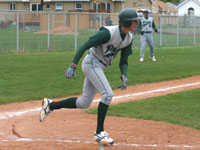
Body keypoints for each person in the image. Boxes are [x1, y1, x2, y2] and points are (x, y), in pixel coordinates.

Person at [40, 8, 139, 146]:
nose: (137, 23)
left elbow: (123, 61)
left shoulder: (128, 37)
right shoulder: (107, 33)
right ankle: (99, 132)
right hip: (91, 63)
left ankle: (51, 105)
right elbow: (85, 45)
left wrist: (124, 74)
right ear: (127, 21)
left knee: (84, 103)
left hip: (100, 66)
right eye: (134, 20)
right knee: (107, 94)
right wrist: (73, 65)